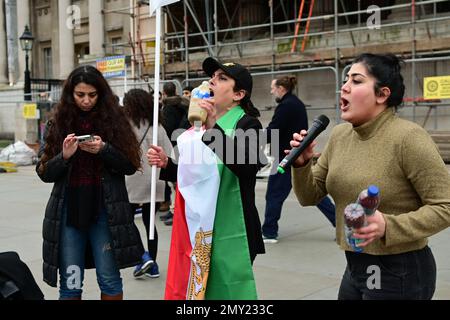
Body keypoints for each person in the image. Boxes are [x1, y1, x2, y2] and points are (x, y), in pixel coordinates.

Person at [290, 53, 450, 300]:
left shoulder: (408, 138)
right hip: (354, 265)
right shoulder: (339, 136)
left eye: (356, 81)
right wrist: (301, 166)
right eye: (345, 80)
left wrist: (389, 226)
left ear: (382, 94)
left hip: (401, 270)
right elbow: (309, 196)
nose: (344, 86)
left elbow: (445, 206)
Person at [148, 57, 267, 300]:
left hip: (234, 228)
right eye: (212, 77)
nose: (212, 81)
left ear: (238, 94)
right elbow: (194, 175)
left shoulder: (248, 124)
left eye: (222, 78)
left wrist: (214, 130)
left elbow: (247, 167)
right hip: (201, 228)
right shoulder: (197, 125)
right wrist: (167, 165)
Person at [36, 65, 144, 300]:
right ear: (70, 94)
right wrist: (63, 157)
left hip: (106, 211)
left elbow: (130, 165)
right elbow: (44, 172)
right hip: (69, 211)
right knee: (71, 282)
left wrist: (104, 149)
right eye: (80, 95)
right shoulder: (57, 122)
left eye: (92, 95)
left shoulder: (115, 120)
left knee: (109, 279)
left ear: (101, 93)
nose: (86, 101)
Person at [261, 75, 336, 244]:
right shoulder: (295, 104)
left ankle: (269, 231)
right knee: (315, 194)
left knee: (274, 194)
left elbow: (274, 130)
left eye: (273, 88)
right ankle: (342, 225)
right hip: (295, 154)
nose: (272, 91)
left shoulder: (286, 106)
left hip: (287, 156)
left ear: (281, 88)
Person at [123, 89, 173, 279]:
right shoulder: (158, 126)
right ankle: (152, 263)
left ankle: (143, 257)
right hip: (154, 178)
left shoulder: (127, 126)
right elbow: (169, 154)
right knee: (149, 223)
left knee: (127, 221)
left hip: (133, 177)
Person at [159, 82, 191, 225]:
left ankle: (178, 211)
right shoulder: (184, 104)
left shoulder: (169, 108)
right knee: (179, 181)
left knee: (178, 182)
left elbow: (169, 128)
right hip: (183, 144)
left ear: (164, 93)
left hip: (175, 145)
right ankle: (175, 210)